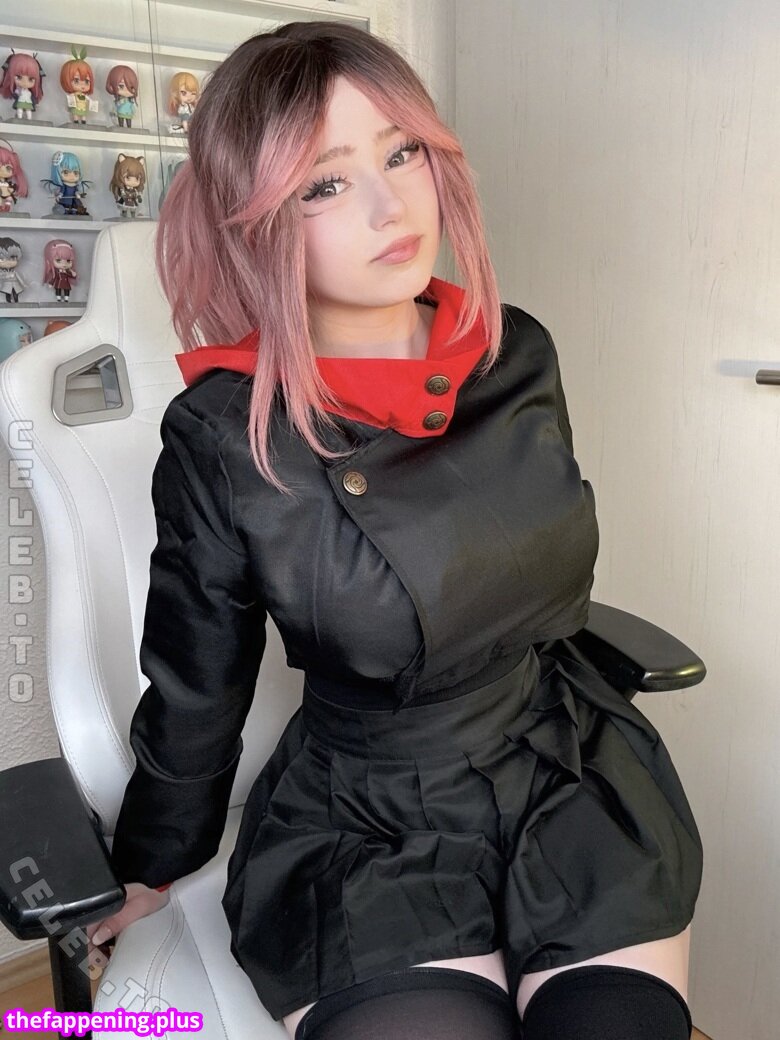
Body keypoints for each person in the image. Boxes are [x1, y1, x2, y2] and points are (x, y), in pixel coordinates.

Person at [88, 21, 703, 1040]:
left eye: (403, 152)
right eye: (326, 184)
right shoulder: (226, 433)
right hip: (368, 821)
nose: (392, 206)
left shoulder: (513, 352)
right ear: (258, 221)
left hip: (565, 770)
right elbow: (200, 685)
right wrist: (150, 863)